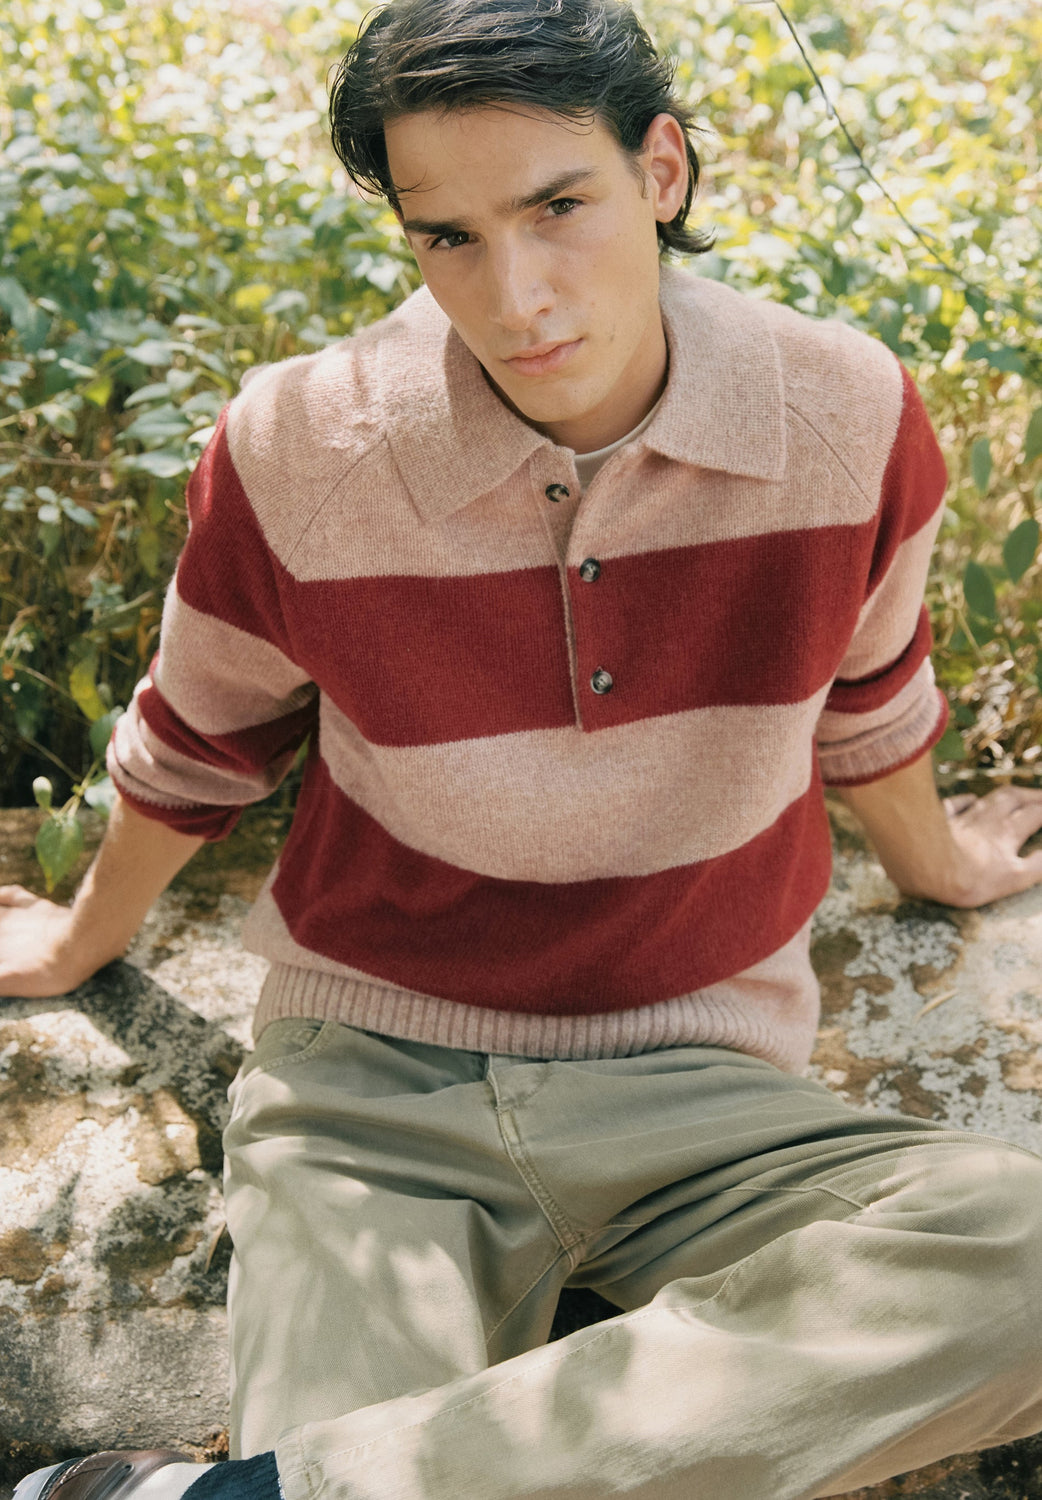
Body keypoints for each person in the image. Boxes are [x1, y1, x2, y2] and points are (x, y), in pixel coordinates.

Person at [4, 0, 1042, 1496]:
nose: (516, 297)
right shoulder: (297, 446)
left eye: (559, 206)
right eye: (448, 237)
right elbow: (201, 737)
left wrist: (938, 865)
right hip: (371, 1098)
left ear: (662, 170)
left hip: (706, 1081)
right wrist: (78, 939)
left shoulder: (844, 413)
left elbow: (865, 694)